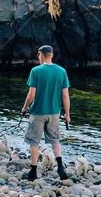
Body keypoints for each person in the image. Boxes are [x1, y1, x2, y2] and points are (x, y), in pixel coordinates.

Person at [21, 45, 71, 180]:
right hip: (54, 113)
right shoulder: (62, 71)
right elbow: (65, 96)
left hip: (38, 112)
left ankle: (33, 172)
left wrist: (25, 108)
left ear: (41, 55)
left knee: (34, 142)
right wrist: (67, 114)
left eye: (38, 55)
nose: (38, 57)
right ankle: (60, 167)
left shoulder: (36, 71)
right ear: (52, 55)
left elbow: (31, 94)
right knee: (55, 140)